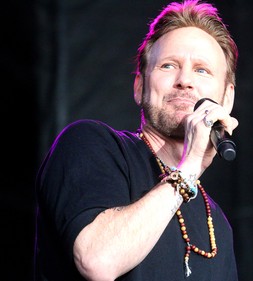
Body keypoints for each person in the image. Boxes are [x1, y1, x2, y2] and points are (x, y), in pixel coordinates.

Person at [34, 0, 239, 280]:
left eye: (202, 70)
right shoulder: (90, 144)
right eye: (169, 65)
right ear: (140, 86)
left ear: (226, 98)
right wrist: (189, 168)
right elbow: (98, 261)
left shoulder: (217, 224)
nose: (184, 81)